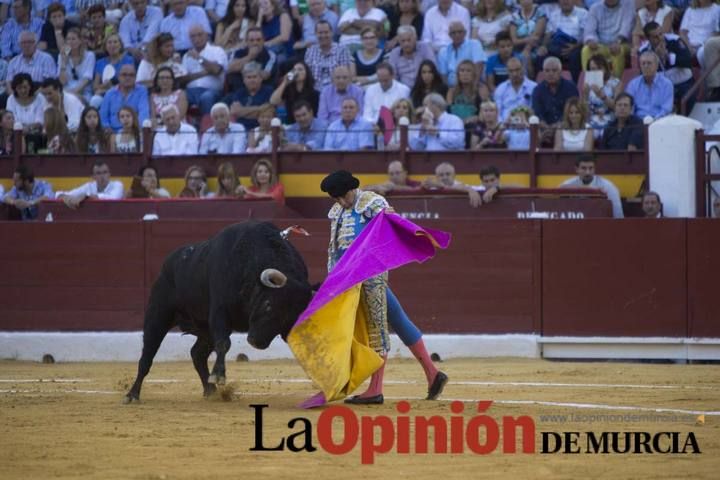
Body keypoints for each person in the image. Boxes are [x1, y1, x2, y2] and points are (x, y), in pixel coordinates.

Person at [311, 170, 448, 405]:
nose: (341, 202)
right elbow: (334, 249)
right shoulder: (337, 212)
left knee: (375, 327)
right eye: (336, 199)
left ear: (352, 189)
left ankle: (375, 389)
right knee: (397, 319)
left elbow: (392, 226)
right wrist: (333, 278)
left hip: (371, 274)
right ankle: (433, 374)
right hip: (348, 279)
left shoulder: (372, 203)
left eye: (343, 196)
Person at [639, 21, 694, 112]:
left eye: (661, 34)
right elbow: (644, 74)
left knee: (687, 98)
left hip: (683, 83)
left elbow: (688, 61)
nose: (660, 38)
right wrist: (654, 59)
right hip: (660, 87)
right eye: (655, 37)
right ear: (648, 39)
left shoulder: (675, 40)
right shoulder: (644, 50)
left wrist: (668, 57)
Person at [181, 24, 228, 115]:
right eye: (193, 36)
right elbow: (184, 79)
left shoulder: (217, 51)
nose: (197, 38)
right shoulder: (186, 56)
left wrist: (199, 58)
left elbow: (217, 70)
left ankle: (207, 125)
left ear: (206, 35)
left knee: (207, 97)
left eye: (200, 35)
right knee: (178, 96)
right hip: (191, 91)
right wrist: (205, 72)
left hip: (211, 90)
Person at [581, 0, 635, 79]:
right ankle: (591, 83)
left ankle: (615, 85)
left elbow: (626, 28)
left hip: (621, 43)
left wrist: (618, 42)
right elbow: (589, 31)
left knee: (618, 50)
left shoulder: (628, 4)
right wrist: (591, 40)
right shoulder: (595, 8)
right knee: (586, 50)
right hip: (600, 45)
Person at [532, 56, 578, 144]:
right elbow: (537, 113)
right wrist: (547, 128)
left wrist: (556, 127)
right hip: (544, 129)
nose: (550, 73)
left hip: (566, 127)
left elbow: (573, 113)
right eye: (547, 71)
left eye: (554, 70)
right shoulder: (537, 90)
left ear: (560, 72)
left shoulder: (571, 88)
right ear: (543, 72)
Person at [538, 0, 586, 83]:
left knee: (575, 56)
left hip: (575, 46)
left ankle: (574, 86)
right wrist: (544, 46)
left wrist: (574, 46)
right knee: (541, 56)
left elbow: (585, 34)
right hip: (557, 46)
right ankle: (543, 86)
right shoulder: (554, 15)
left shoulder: (583, 13)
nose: (565, 1)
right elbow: (548, 34)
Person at [222, 61, 274, 130]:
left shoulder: (269, 91)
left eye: (254, 77)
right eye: (249, 77)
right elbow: (235, 111)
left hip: (262, 129)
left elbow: (266, 112)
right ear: (244, 80)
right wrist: (259, 109)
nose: (252, 80)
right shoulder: (239, 93)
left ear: (261, 78)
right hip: (241, 130)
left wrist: (243, 111)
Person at [99, 63, 150, 132]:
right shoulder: (110, 93)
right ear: (118, 77)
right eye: (124, 75)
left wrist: (136, 129)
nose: (127, 78)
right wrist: (108, 129)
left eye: (131, 75)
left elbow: (143, 114)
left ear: (135, 77)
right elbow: (103, 117)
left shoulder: (141, 91)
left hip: (134, 131)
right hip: (112, 132)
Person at [304, 20, 352, 91]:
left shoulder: (342, 50)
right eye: (320, 33)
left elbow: (345, 75)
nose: (323, 35)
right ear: (315, 34)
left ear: (332, 33)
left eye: (326, 32)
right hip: (313, 91)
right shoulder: (310, 51)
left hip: (336, 90)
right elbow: (307, 75)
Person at [55, 159, 124, 208]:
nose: (102, 176)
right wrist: (65, 197)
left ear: (109, 174)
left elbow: (114, 198)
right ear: (93, 177)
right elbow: (58, 194)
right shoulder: (89, 186)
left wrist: (87, 196)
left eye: (105, 172)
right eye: (98, 173)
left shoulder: (117, 185)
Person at [625, 51, 674, 120]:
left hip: (660, 122)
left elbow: (666, 109)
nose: (646, 66)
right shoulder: (633, 84)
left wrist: (654, 121)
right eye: (643, 63)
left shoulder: (666, 84)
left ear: (656, 65)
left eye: (649, 63)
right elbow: (630, 108)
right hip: (638, 123)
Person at [437, 20, 486, 88]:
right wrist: (449, 90)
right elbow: (443, 75)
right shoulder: (443, 51)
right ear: (449, 35)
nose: (457, 35)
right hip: (452, 87)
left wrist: (473, 87)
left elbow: (479, 66)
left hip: (472, 85)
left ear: (465, 33)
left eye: (460, 32)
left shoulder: (474, 44)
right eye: (453, 33)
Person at [90, 33, 135, 107]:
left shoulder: (128, 60)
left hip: (123, 93)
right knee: (94, 100)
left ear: (120, 45)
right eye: (109, 42)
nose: (112, 45)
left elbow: (130, 82)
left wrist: (109, 88)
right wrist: (104, 86)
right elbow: (95, 87)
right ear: (105, 46)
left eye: (115, 42)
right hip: (104, 94)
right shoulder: (100, 62)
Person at [227, 26, 277, 91]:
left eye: (258, 40)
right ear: (247, 41)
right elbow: (229, 68)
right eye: (251, 40)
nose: (255, 43)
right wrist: (249, 57)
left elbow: (265, 75)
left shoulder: (270, 55)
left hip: (262, 92)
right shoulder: (238, 51)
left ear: (263, 41)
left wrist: (244, 70)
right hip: (238, 91)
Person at [583, 54, 622, 134]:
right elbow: (584, 112)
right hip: (592, 121)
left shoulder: (616, 83)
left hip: (610, 121)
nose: (596, 72)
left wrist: (603, 96)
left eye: (599, 68)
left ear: (605, 69)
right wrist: (585, 96)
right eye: (593, 69)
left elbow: (618, 107)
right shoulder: (588, 84)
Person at [678, 0, 720, 67]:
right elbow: (683, 32)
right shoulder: (690, 10)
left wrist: (700, 45)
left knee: (702, 52)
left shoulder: (717, 10)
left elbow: (716, 33)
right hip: (688, 44)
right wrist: (689, 47)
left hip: (705, 44)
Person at [493, 57, 535, 122]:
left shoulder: (533, 87)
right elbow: (497, 113)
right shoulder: (500, 89)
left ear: (523, 69)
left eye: (517, 70)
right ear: (507, 71)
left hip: (527, 126)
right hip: (505, 127)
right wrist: (502, 126)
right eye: (511, 71)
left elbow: (535, 111)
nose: (514, 74)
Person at [57, 27, 95, 101]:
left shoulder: (89, 55)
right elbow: (62, 81)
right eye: (68, 39)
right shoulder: (61, 55)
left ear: (80, 40)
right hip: (66, 91)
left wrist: (73, 92)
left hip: (83, 91)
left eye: (73, 39)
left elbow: (87, 80)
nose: (71, 42)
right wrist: (63, 63)